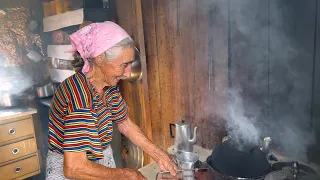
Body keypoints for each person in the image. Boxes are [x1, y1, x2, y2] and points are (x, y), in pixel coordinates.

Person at [46, 21, 177, 180]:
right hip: (71, 167)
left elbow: (125, 124)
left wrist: (159, 155)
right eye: (124, 65)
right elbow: (74, 168)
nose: (127, 74)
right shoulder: (79, 95)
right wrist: (127, 174)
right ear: (100, 58)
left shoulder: (108, 86)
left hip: (97, 158)